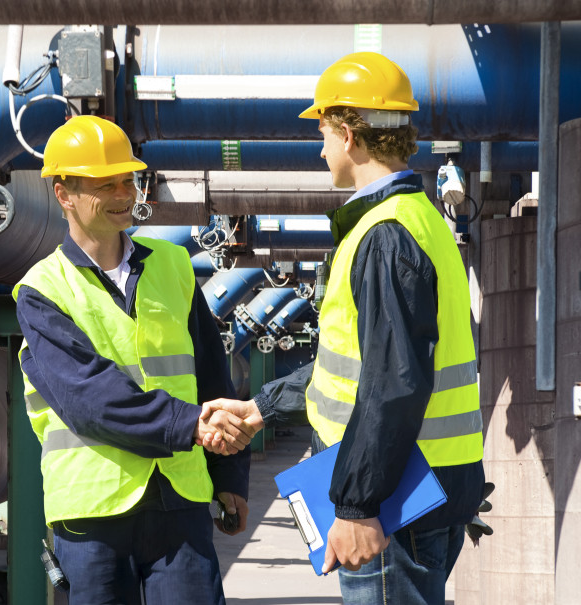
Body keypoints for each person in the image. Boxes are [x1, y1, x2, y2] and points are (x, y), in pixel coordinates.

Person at [204, 52, 485, 604]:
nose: (322, 148)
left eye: (326, 133)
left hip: (395, 501)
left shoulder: (383, 235)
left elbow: (394, 382)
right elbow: (355, 366)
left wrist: (357, 506)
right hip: (422, 485)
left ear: (351, 135)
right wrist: (263, 407)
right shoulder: (417, 219)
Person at [13, 114, 258, 605]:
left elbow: (212, 372)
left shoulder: (172, 266)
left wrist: (230, 475)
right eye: (108, 184)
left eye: (130, 180)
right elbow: (91, 399)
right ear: (65, 194)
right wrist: (193, 426)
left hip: (179, 497)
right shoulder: (42, 291)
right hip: (93, 510)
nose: (126, 194)